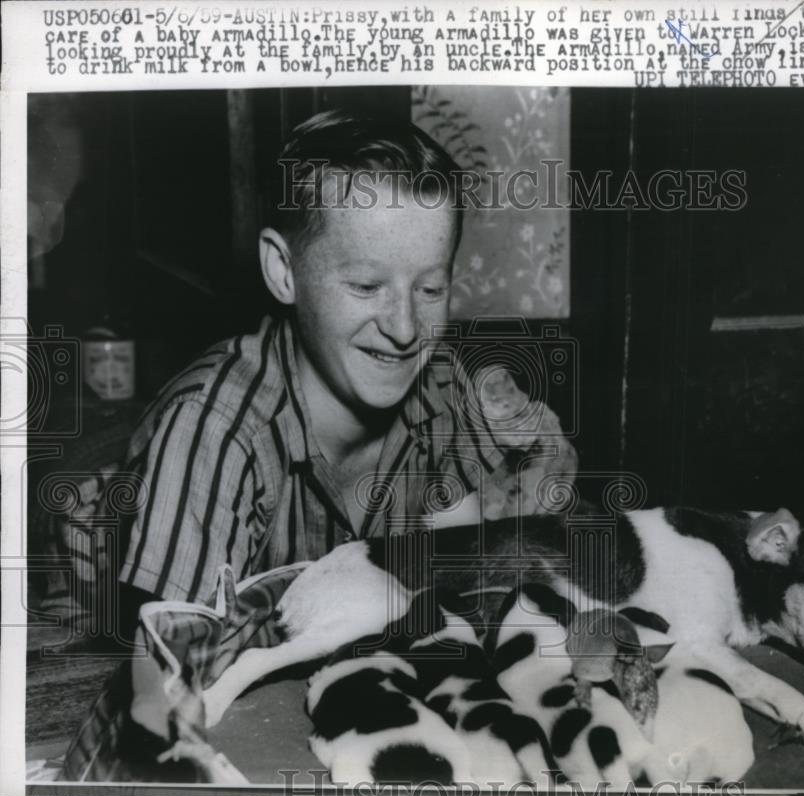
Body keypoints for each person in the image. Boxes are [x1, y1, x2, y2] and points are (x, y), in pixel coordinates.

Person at [97, 109, 576, 636]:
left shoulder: (441, 382)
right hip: (111, 545)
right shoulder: (212, 431)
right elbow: (173, 671)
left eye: (430, 289)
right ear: (284, 272)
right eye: (367, 286)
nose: (404, 328)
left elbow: (458, 595)